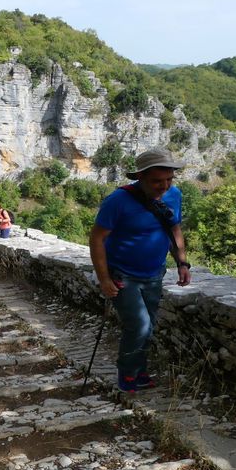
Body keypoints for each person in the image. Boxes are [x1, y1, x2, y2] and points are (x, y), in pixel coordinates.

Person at [88, 147, 192, 393]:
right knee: (139, 325)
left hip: (155, 273)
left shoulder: (174, 195)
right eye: (157, 181)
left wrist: (182, 263)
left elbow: (174, 230)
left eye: (169, 179)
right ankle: (128, 373)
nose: (164, 186)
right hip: (122, 274)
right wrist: (104, 279)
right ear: (140, 177)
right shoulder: (117, 201)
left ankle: (139, 369)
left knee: (149, 325)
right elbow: (97, 239)